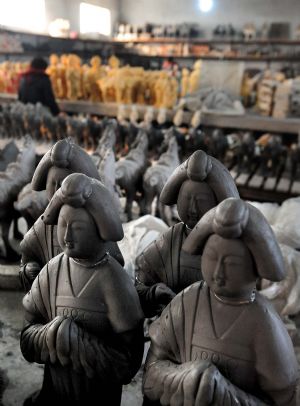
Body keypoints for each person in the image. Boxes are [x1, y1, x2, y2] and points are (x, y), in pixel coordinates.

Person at [143, 198, 299, 406]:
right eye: (212, 258)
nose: (218, 273)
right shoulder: (188, 301)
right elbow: (151, 370)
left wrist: (224, 394)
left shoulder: (264, 323)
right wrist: (184, 378)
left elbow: (284, 400)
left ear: (255, 267)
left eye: (232, 263)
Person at [21, 173, 144, 406]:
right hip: (55, 393)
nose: (66, 236)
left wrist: (80, 343)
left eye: (76, 227)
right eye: (63, 225)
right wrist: (47, 336)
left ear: (99, 230)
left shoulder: (114, 280)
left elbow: (127, 365)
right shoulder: (53, 269)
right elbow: (26, 339)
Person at [135, 150, 239, 317]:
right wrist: (153, 293)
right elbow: (141, 279)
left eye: (201, 201)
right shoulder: (171, 239)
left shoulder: (230, 247)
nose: (192, 209)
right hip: (170, 326)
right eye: (185, 198)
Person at [20, 138, 124, 291]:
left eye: (62, 184)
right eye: (52, 183)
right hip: (50, 296)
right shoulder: (42, 225)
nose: (56, 189)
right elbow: (28, 256)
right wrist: (29, 268)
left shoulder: (93, 224)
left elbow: (115, 262)